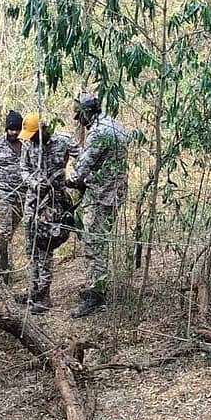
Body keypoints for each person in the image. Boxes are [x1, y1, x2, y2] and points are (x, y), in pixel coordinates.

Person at [66, 93, 129, 318]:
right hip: (115, 192)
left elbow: (82, 168)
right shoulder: (115, 125)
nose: (78, 119)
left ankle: (96, 296)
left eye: (79, 115)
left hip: (102, 195)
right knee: (98, 241)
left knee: (94, 243)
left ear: (87, 112)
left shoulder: (98, 133)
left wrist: (68, 181)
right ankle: (96, 286)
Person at [19, 113, 79, 313]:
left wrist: (73, 179)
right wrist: (34, 183)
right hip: (33, 202)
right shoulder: (28, 144)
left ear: (44, 129)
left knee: (45, 246)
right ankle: (34, 289)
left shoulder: (63, 140)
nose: (31, 139)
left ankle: (44, 294)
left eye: (34, 134)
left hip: (54, 203)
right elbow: (23, 169)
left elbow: (84, 158)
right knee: (31, 247)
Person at [0, 110, 25, 276]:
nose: (13, 132)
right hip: (1, 194)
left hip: (22, 195)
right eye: (11, 129)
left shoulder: (28, 144)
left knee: (11, 231)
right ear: (6, 128)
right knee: (4, 232)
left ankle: (4, 266)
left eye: (17, 129)